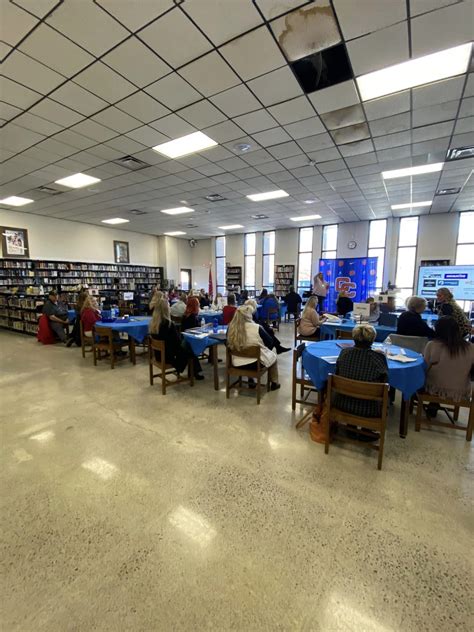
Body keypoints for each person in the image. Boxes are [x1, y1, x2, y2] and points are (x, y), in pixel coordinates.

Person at [334, 324, 389, 419]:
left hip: (342, 402)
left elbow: (337, 372)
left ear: (354, 338)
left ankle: (350, 426)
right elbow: (385, 381)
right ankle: (366, 429)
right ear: (372, 340)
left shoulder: (344, 353)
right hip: (369, 408)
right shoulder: (378, 358)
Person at [227, 305, 280, 391]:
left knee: (247, 354)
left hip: (236, 362)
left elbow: (227, 344)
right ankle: (274, 383)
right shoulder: (256, 327)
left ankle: (251, 380)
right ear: (249, 315)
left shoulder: (230, 327)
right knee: (273, 357)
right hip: (255, 364)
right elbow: (270, 342)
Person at [423, 317, 473, 407]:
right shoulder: (471, 347)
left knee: (421, 378)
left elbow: (424, 367)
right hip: (460, 390)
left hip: (434, 387)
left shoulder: (432, 345)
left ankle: (431, 404)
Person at [149, 298, 204, 380]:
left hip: (158, 355)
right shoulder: (168, 325)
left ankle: (195, 371)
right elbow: (177, 344)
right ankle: (194, 372)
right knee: (190, 348)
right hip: (169, 357)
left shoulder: (153, 323)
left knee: (187, 346)